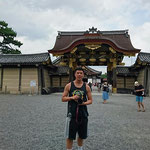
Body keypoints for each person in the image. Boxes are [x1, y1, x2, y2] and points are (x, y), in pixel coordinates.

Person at [62, 67, 93, 150]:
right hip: (71, 114)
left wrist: (83, 103)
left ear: (83, 75)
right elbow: (63, 98)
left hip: (83, 114)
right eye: (77, 73)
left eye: (81, 73)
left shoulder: (86, 87)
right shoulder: (69, 86)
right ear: (74, 74)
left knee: (81, 135)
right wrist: (72, 98)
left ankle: (80, 148)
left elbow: (90, 100)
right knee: (70, 136)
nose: (79, 74)